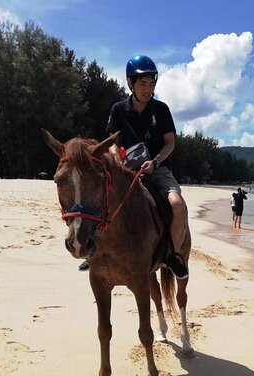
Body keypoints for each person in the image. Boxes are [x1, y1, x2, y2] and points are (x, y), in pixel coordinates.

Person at [81, 55, 188, 278]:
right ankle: (94, 251)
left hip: (157, 169)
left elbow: (170, 143)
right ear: (130, 83)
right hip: (125, 170)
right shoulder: (118, 109)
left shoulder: (161, 109)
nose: (148, 89)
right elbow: (112, 143)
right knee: (100, 202)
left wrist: (155, 162)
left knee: (178, 206)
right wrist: (119, 165)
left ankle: (172, 255)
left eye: (152, 84)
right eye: (143, 84)